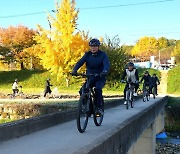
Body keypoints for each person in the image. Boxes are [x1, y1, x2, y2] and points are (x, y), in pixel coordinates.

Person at [72, 38, 110, 115]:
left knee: (98, 89)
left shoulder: (103, 55)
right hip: (90, 77)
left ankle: (98, 107)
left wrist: (105, 71)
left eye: (95, 46)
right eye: (91, 46)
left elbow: (106, 64)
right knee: (82, 90)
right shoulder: (87, 54)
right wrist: (74, 70)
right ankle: (87, 107)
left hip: (100, 77)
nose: (93, 48)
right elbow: (80, 62)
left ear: (98, 47)